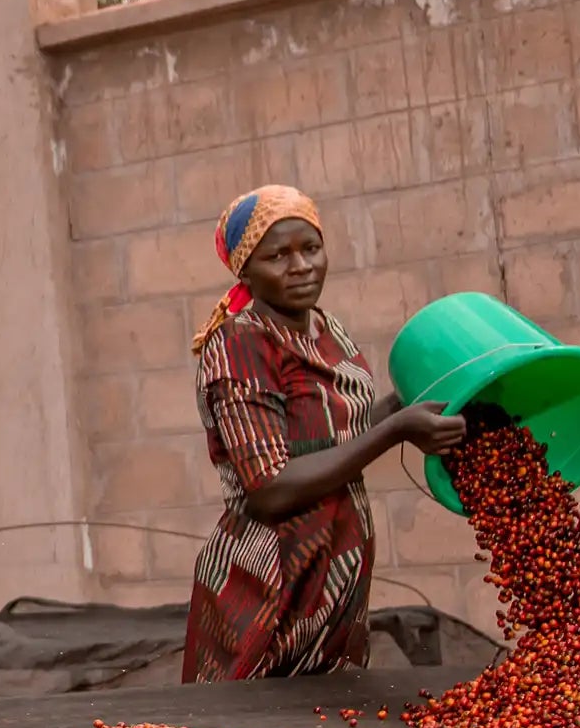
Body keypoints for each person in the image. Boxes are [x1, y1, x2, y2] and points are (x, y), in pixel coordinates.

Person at [183, 185, 467, 682]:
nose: (300, 266)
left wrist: (407, 407)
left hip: (334, 571)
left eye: (310, 249)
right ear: (246, 270)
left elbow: (343, 433)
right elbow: (270, 488)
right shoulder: (241, 346)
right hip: (270, 583)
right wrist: (397, 430)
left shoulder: (326, 328)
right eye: (277, 256)